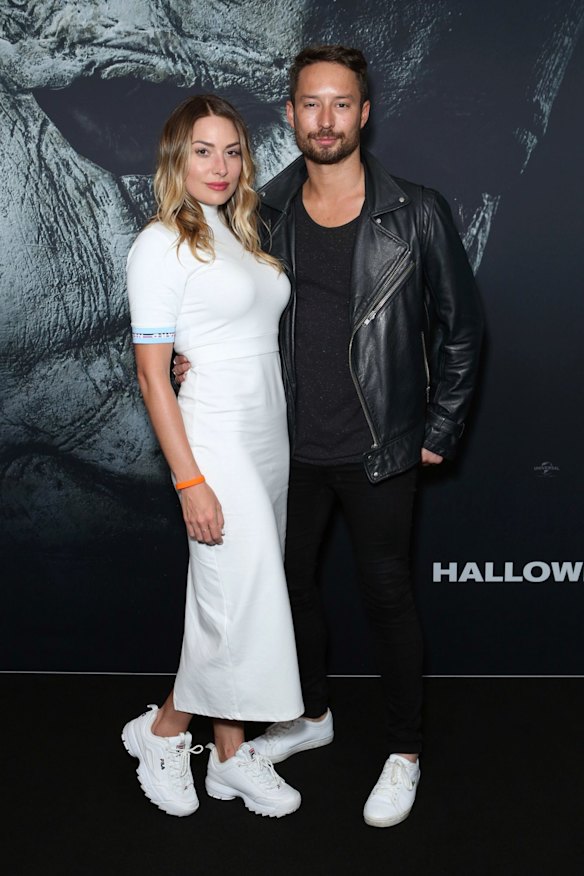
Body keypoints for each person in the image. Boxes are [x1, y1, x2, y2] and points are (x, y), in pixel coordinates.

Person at [175, 45, 483, 828]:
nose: (325, 119)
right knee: (291, 593)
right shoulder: (259, 211)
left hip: (381, 446)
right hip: (283, 450)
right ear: (290, 115)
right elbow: (232, 308)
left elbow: (462, 330)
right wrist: (191, 353)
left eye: (340, 104)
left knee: (387, 596)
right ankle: (312, 715)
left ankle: (405, 751)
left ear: (364, 113)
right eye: (310, 104)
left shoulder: (416, 211)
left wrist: (441, 427)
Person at [122, 94, 304, 820]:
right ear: (176, 157)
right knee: (233, 600)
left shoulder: (237, 235)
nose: (221, 165)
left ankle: (229, 756)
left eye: (232, 151)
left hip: (268, 437)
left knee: (242, 604)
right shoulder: (160, 243)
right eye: (204, 150)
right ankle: (164, 733)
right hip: (216, 441)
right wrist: (190, 478)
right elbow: (150, 373)